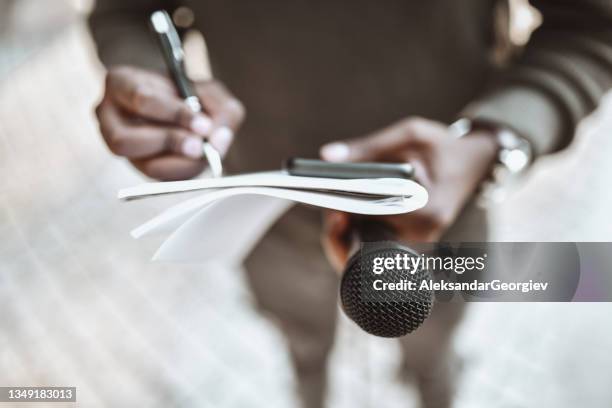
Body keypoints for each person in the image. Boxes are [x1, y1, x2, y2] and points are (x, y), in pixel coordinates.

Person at [88, 1, 612, 407]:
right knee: (299, 334)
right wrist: (153, 90)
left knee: (433, 343)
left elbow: (590, 27)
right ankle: (309, 384)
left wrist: (495, 139)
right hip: (270, 216)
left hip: (437, 223)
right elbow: (130, 13)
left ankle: (435, 386)